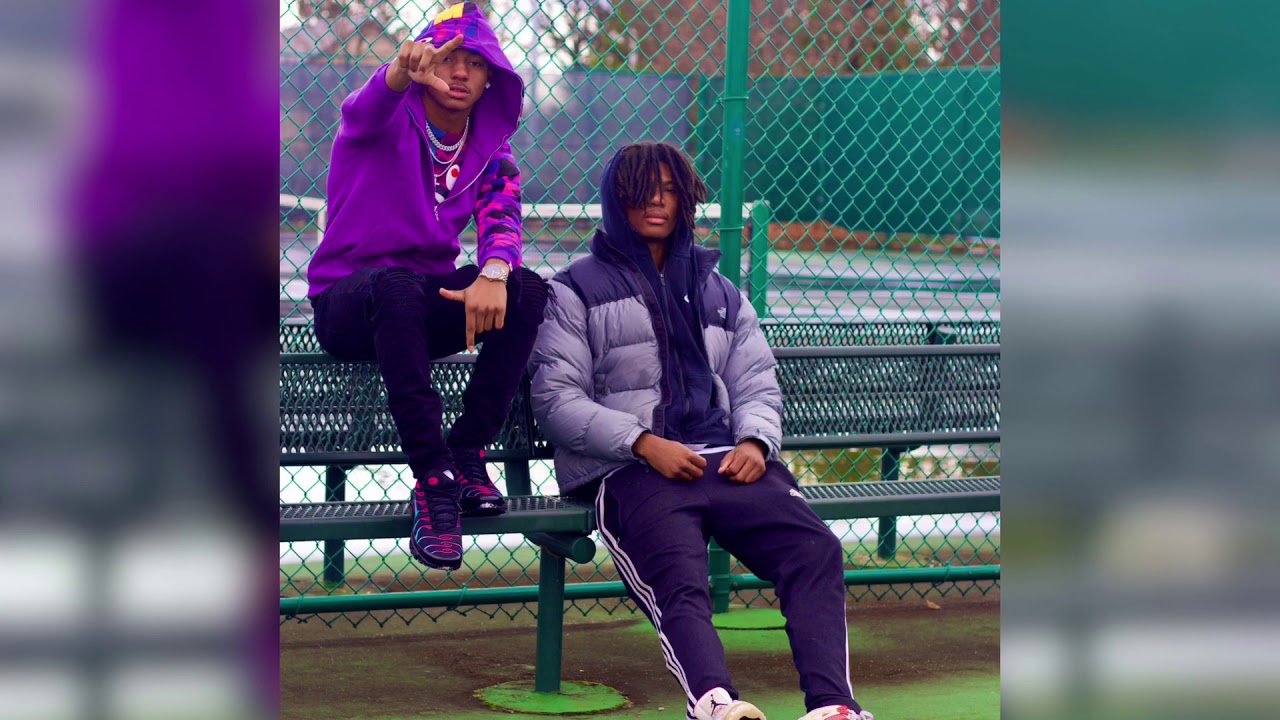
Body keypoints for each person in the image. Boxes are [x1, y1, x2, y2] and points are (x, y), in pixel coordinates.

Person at [529, 142, 874, 720]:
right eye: (644, 190)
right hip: (630, 470)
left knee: (814, 549)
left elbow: (756, 383)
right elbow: (556, 401)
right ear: (617, 199)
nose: (657, 201)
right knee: (679, 574)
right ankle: (715, 702)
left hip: (725, 458)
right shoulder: (573, 289)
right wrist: (642, 443)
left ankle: (834, 706)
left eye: (670, 189)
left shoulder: (719, 290)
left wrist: (756, 442)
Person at [305, 2, 548, 571]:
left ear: (491, 79)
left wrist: (494, 274)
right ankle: (433, 479)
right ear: (425, 64)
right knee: (395, 285)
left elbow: (503, 220)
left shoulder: (490, 152)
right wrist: (396, 72)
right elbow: (363, 106)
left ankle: (466, 452)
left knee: (528, 289)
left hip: (418, 303)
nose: (460, 72)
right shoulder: (382, 118)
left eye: (476, 63)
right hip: (346, 305)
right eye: (447, 59)